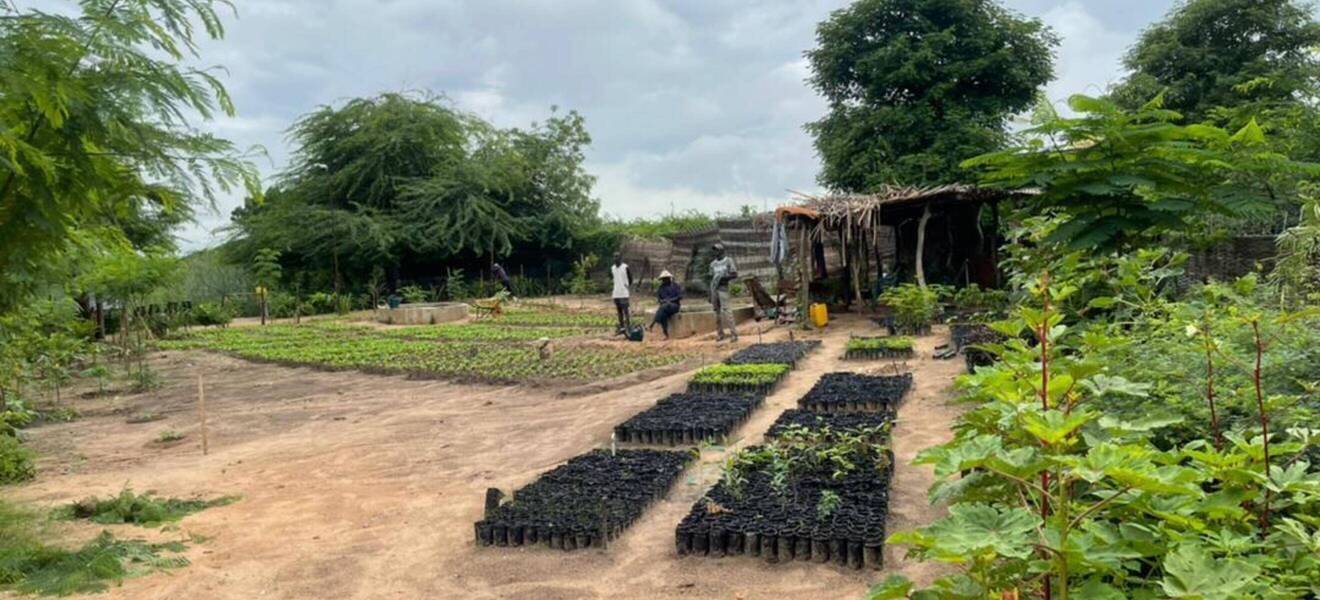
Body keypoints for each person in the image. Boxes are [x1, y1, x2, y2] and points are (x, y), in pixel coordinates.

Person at [709, 243, 738, 342]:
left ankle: (734, 334)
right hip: (714, 290)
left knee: (728, 311)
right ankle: (720, 334)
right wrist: (710, 294)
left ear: (721, 251)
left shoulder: (728, 261)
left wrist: (723, 278)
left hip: (723, 289)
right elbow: (711, 279)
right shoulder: (712, 264)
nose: (715, 252)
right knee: (716, 313)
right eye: (714, 250)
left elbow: (734, 274)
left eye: (716, 250)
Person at [649, 270, 682, 339]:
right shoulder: (661, 288)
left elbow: (679, 297)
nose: (664, 280)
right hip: (665, 307)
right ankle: (666, 333)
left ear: (669, 278)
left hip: (675, 306)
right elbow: (659, 300)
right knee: (663, 314)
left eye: (666, 278)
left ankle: (653, 323)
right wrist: (665, 302)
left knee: (663, 308)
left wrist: (670, 301)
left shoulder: (676, 285)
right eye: (663, 279)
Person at [610, 254, 632, 335]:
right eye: (614, 257)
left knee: (626, 311)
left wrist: (626, 285)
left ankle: (628, 327)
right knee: (619, 311)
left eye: (617, 257)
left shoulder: (625, 267)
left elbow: (630, 278)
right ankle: (622, 327)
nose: (615, 258)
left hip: (624, 292)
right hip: (616, 293)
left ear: (620, 258)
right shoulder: (612, 268)